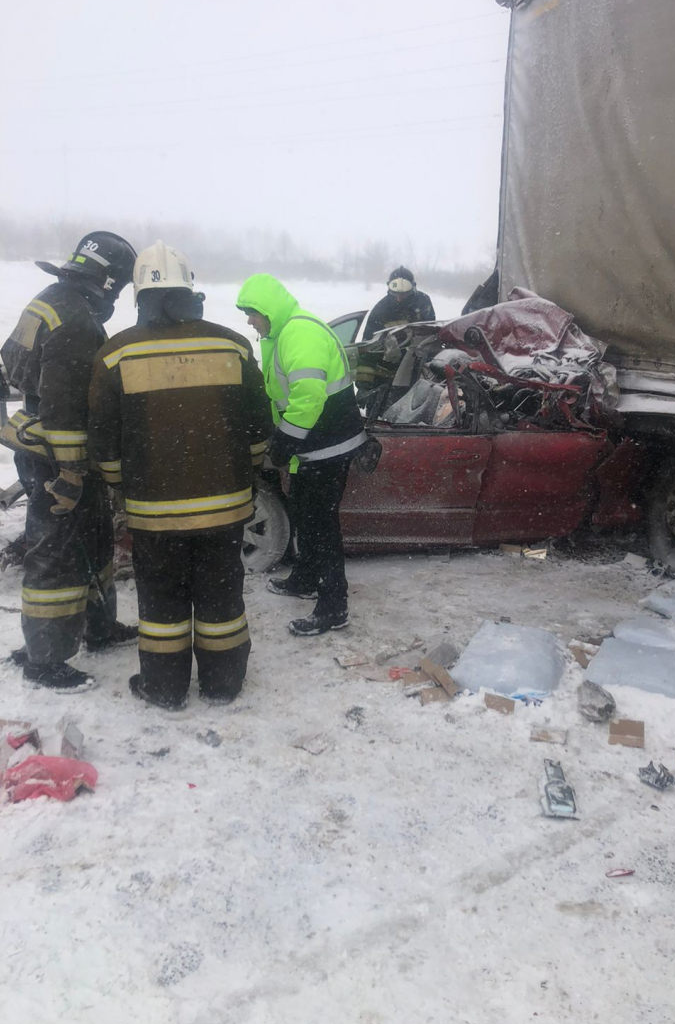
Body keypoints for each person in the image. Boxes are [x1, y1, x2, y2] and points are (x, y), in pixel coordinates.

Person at [88, 242, 272, 709]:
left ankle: (165, 688)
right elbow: (257, 426)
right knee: (221, 596)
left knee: (162, 604)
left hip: (155, 513)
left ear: (140, 295)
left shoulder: (115, 355)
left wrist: (120, 486)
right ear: (190, 289)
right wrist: (244, 472)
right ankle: (223, 683)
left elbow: (104, 442)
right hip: (226, 505)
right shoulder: (232, 344)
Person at [0, 231, 138, 691]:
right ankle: (44, 657)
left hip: (39, 443)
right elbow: (62, 410)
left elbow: (12, 361)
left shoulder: (50, 298)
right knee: (55, 553)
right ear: (109, 282)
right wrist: (70, 475)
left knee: (95, 540)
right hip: (59, 457)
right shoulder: (77, 321)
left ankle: (99, 628)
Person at [236, 274, 366, 636]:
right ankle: (306, 578)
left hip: (327, 446)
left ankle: (332, 607)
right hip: (314, 448)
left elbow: (308, 396)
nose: (250, 321)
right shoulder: (281, 335)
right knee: (305, 517)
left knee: (321, 526)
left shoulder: (298, 333)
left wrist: (284, 443)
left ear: (268, 309)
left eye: (252, 313)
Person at [355, 266, 436, 399]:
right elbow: (367, 349)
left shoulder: (423, 303)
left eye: (404, 294)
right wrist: (364, 387)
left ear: (413, 287)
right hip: (385, 377)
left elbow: (432, 334)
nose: (399, 298)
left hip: (417, 374)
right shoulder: (380, 310)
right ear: (388, 287)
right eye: (395, 294)